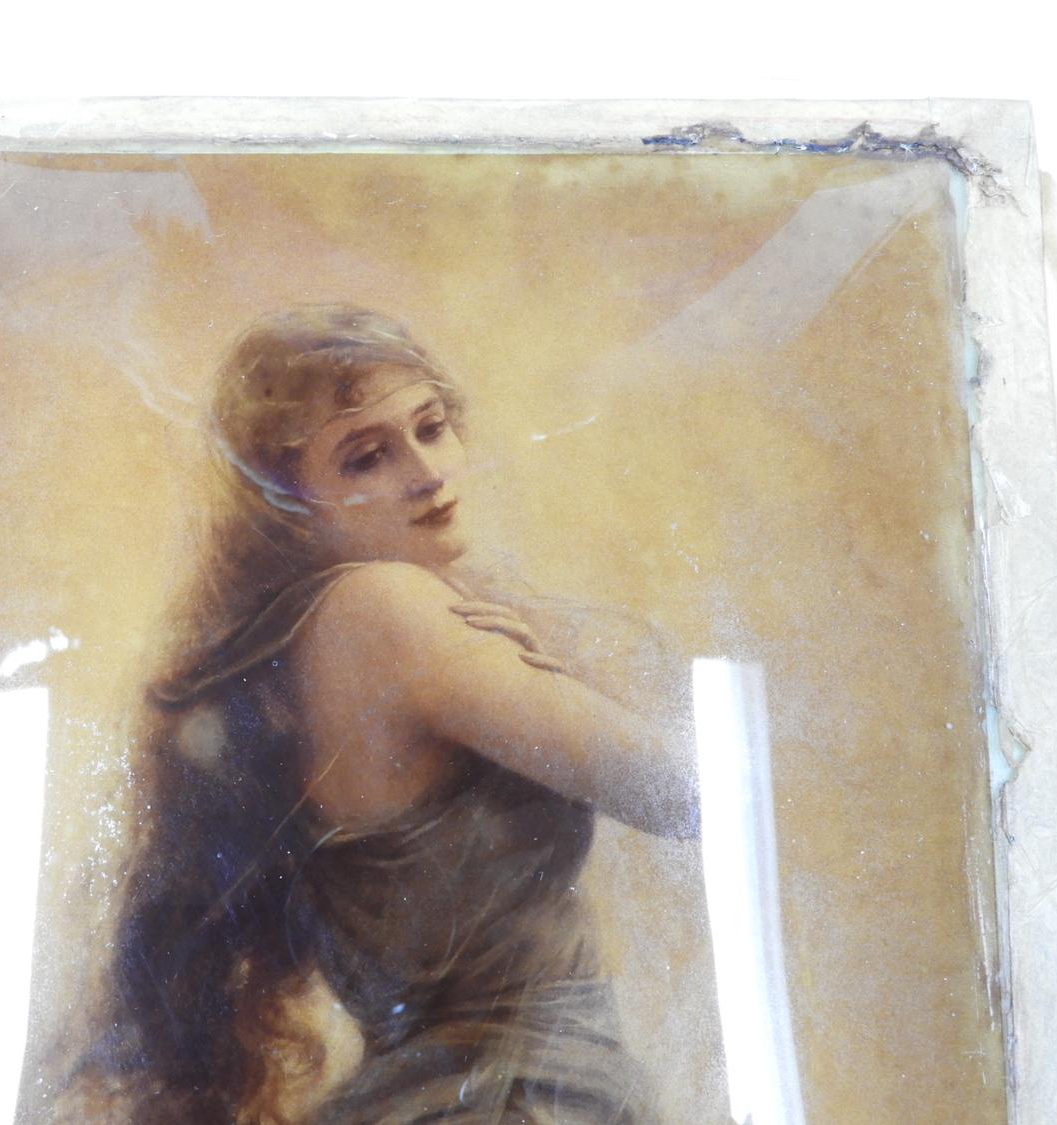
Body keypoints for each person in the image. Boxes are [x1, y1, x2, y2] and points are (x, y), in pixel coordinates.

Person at [65, 305, 698, 1124]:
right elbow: (686, 793)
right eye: (368, 456)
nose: (428, 473)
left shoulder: (293, 645)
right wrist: (562, 656)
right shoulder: (387, 610)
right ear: (293, 503)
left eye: (432, 428)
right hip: (523, 1098)